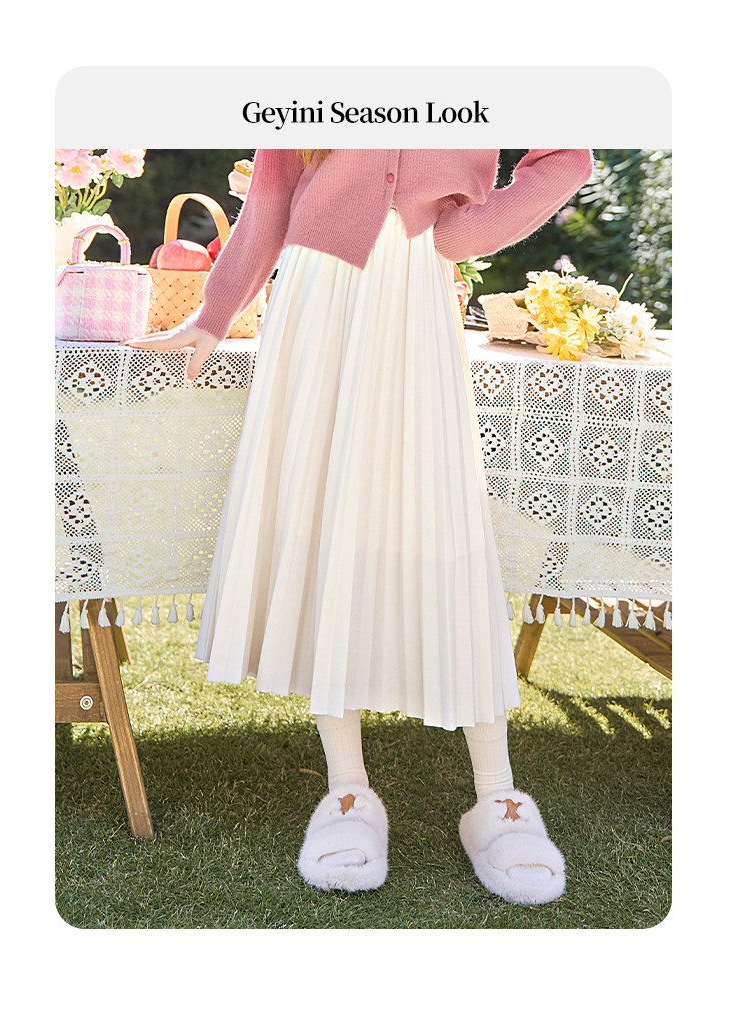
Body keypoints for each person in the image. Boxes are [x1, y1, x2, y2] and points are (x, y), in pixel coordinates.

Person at [125, 148, 593, 905]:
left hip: (415, 293)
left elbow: (566, 156)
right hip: (315, 299)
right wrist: (215, 313)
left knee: (442, 525)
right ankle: (347, 790)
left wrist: (460, 234)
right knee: (325, 519)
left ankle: (498, 796)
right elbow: (274, 189)